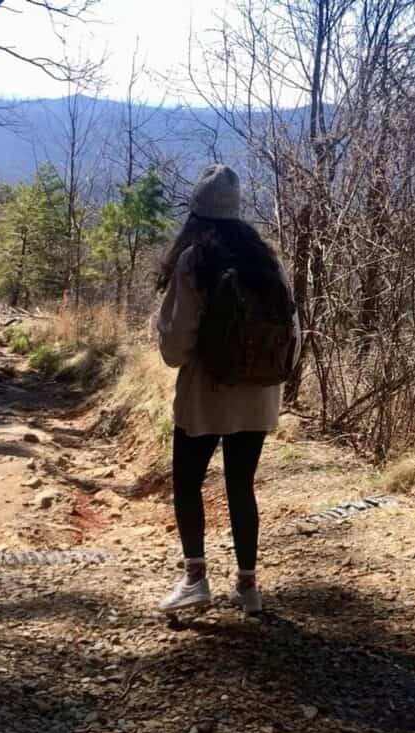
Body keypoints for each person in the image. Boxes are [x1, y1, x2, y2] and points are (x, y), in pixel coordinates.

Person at [155, 164, 299, 616]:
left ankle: (196, 579)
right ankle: (249, 588)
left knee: (187, 482)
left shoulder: (195, 260)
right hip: (259, 394)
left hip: (206, 395)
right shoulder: (266, 258)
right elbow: (291, 332)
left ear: (196, 211)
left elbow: (175, 349)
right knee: (241, 484)